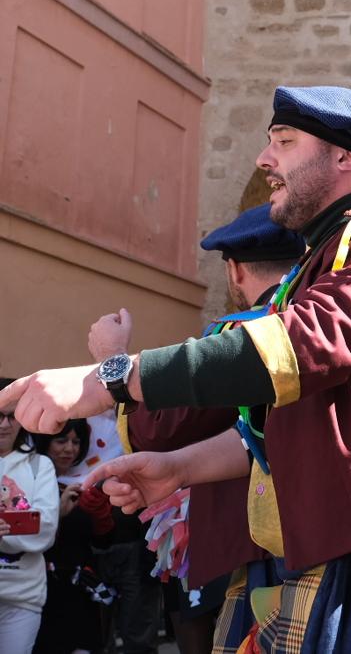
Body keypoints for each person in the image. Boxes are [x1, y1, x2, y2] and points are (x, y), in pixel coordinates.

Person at [2, 86, 351, 652]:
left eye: (284, 142)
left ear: (345, 157)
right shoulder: (327, 259)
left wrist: (108, 377)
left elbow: (301, 346)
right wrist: (180, 467)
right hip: (347, 556)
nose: (264, 161)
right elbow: (289, 413)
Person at [87, 203, 302, 654]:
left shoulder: (239, 337)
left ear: (235, 270)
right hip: (311, 536)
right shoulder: (312, 324)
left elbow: (160, 430)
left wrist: (113, 357)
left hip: (250, 544)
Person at [33, 420, 116, 654]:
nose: (70, 449)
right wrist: (57, 513)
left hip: (80, 592)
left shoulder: (84, 485)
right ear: (45, 442)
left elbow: (103, 541)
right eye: (61, 441)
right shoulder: (28, 483)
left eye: (76, 442)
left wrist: (98, 511)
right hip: (44, 592)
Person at [0, 380, 59, 654]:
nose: (4, 425)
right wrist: (17, 526)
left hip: (23, 597)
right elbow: (31, 523)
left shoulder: (40, 466)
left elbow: (45, 529)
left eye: (11, 416)